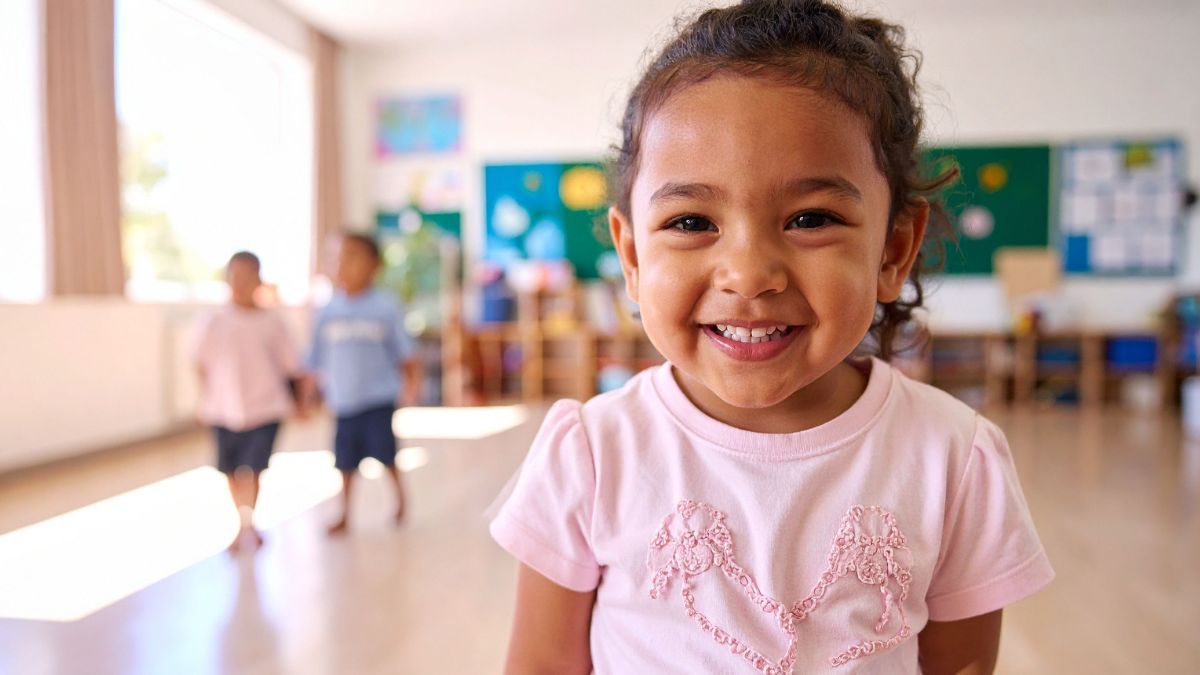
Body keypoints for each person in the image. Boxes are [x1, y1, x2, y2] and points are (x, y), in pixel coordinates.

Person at [488, 1, 1054, 673]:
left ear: (892, 249)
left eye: (810, 217)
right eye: (693, 221)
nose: (749, 274)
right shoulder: (591, 454)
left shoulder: (954, 458)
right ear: (633, 256)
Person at [307, 232, 421, 535]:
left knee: (386, 454)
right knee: (344, 462)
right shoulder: (327, 311)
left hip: (378, 399)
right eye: (336, 258)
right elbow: (315, 359)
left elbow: (406, 353)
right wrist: (308, 397)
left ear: (374, 265)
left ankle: (400, 500)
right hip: (343, 401)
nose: (343, 265)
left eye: (352, 257)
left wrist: (411, 386)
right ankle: (344, 512)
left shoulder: (385, 307)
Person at [193, 251, 303, 553]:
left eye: (247, 276)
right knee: (229, 468)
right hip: (223, 409)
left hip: (266, 407)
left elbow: (290, 366)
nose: (240, 284)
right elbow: (200, 364)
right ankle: (240, 522)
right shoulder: (213, 321)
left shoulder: (272, 322)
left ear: (258, 279)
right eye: (235, 277)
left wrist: (302, 401)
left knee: (254, 467)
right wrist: (204, 401)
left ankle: (250, 521)